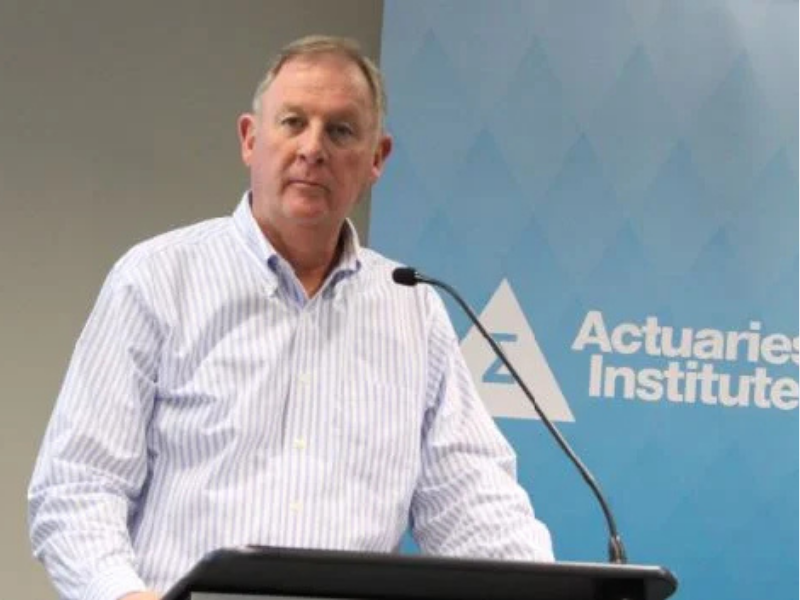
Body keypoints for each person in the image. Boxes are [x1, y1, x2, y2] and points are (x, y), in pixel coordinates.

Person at [28, 35, 554, 600]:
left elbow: (470, 500)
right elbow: (77, 487)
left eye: (341, 131)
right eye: (293, 122)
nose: (312, 148)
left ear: (377, 158)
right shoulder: (156, 279)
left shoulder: (413, 308)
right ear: (250, 139)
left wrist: (547, 590)